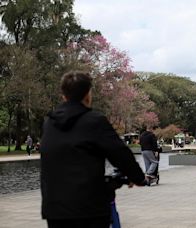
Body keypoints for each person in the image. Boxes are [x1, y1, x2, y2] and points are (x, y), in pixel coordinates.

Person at [40, 71, 147, 228]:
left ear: (63, 95)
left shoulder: (49, 123)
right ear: (88, 94)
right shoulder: (94, 121)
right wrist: (137, 178)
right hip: (89, 207)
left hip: (55, 208)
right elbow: (120, 153)